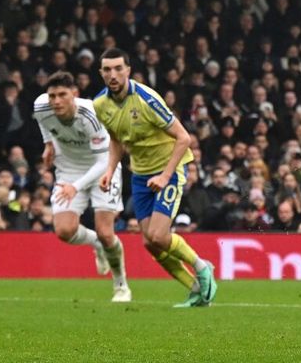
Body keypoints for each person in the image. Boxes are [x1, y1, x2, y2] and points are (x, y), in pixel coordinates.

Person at [93, 48, 217, 308]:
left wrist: (165, 175)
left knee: (159, 235)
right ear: (101, 73)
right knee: (149, 242)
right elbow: (116, 139)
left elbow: (184, 138)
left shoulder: (147, 99)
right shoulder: (100, 105)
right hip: (140, 174)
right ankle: (195, 289)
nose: (112, 74)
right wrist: (109, 170)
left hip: (168, 169)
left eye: (118, 68)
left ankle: (202, 267)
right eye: (107, 69)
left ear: (128, 70)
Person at [33, 72, 130, 302]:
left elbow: (102, 162)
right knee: (64, 231)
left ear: (74, 95)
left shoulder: (90, 114)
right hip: (68, 168)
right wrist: (48, 144)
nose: (56, 101)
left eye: (62, 95)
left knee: (107, 233)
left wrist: (75, 187)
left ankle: (121, 285)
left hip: (104, 168)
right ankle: (95, 244)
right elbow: (44, 124)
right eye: (52, 95)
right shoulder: (41, 106)